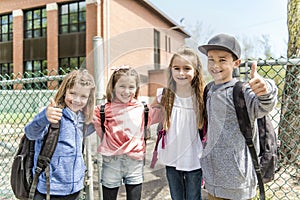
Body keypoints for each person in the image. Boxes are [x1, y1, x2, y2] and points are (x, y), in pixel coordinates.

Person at [198, 33, 278, 199]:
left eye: (222, 60)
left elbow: (263, 106)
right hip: (213, 180)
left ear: (236, 63)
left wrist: (265, 90)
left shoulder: (241, 90)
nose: (215, 65)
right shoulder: (209, 89)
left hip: (238, 181)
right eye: (211, 59)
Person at [24, 69, 96, 200]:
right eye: (72, 93)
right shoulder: (53, 114)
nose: (77, 100)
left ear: (89, 98)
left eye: (83, 96)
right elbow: (30, 133)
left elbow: (86, 133)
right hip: (50, 189)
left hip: (75, 189)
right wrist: (44, 117)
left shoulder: (82, 119)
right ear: (64, 92)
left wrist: (98, 121)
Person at [93, 66, 162, 200]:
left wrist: (162, 95)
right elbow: (96, 127)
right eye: (122, 86)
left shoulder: (143, 109)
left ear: (136, 88)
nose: (126, 91)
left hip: (134, 163)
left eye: (131, 87)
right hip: (111, 162)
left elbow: (165, 113)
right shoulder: (102, 110)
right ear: (113, 86)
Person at [153, 46, 206, 200]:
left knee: (193, 197)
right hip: (171, 156)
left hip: (194, 158)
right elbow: (148, 114)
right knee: (176, 197)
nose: (181, 73)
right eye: (176, 68)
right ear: (171, 70)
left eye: (187, 68)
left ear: (195, 71)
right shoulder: (164, 95)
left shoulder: (202, 96)